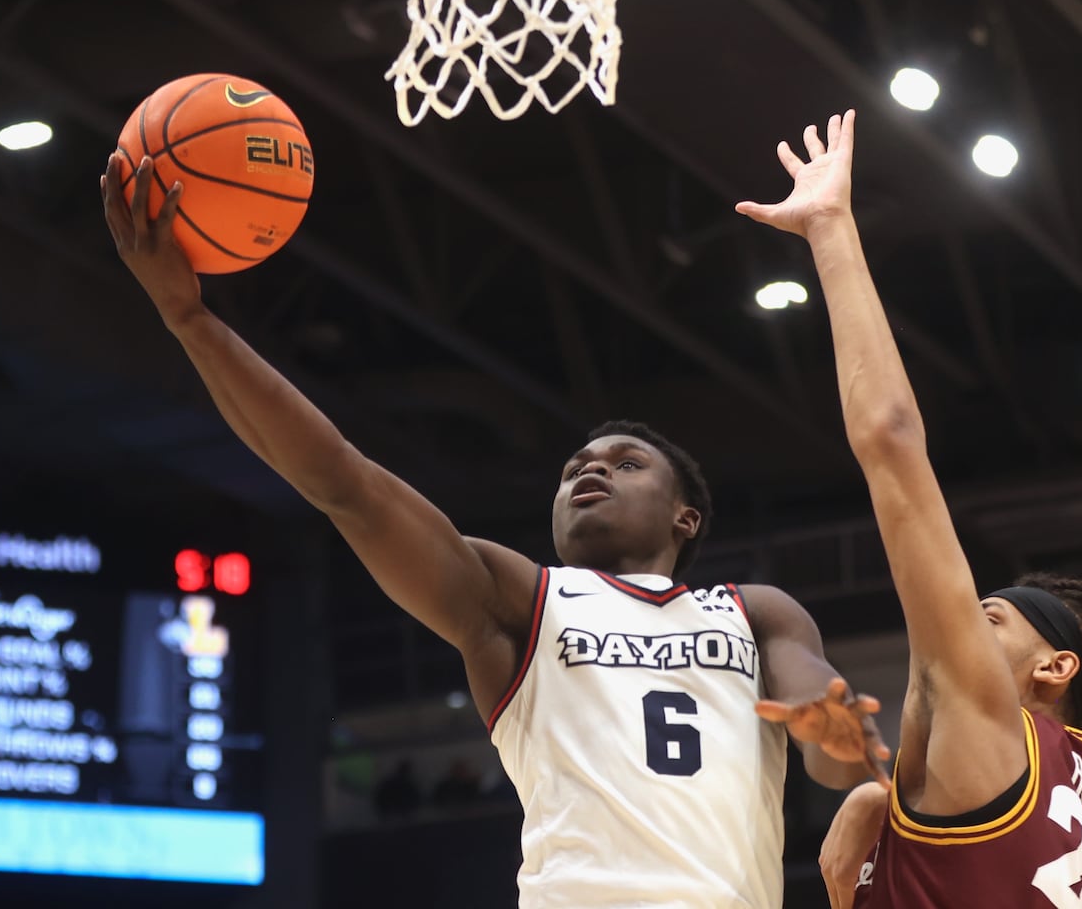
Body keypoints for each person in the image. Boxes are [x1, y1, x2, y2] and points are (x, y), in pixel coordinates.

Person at [98, 155, 891, 909]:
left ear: (686, 516)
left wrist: (838, 732)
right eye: (576, 464)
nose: (591, 469)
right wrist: (189, 319)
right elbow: (342, 482)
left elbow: (827, 754)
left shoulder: (754, 611)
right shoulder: (520, 599)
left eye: (626, 463)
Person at [738, 112, 1082, 909]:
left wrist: (830, 231)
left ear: (1052, 669)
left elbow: (890, 440)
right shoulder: (1068, 773)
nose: (957, 618)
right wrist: (869, 812)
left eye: (986, 618)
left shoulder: (991, 722)